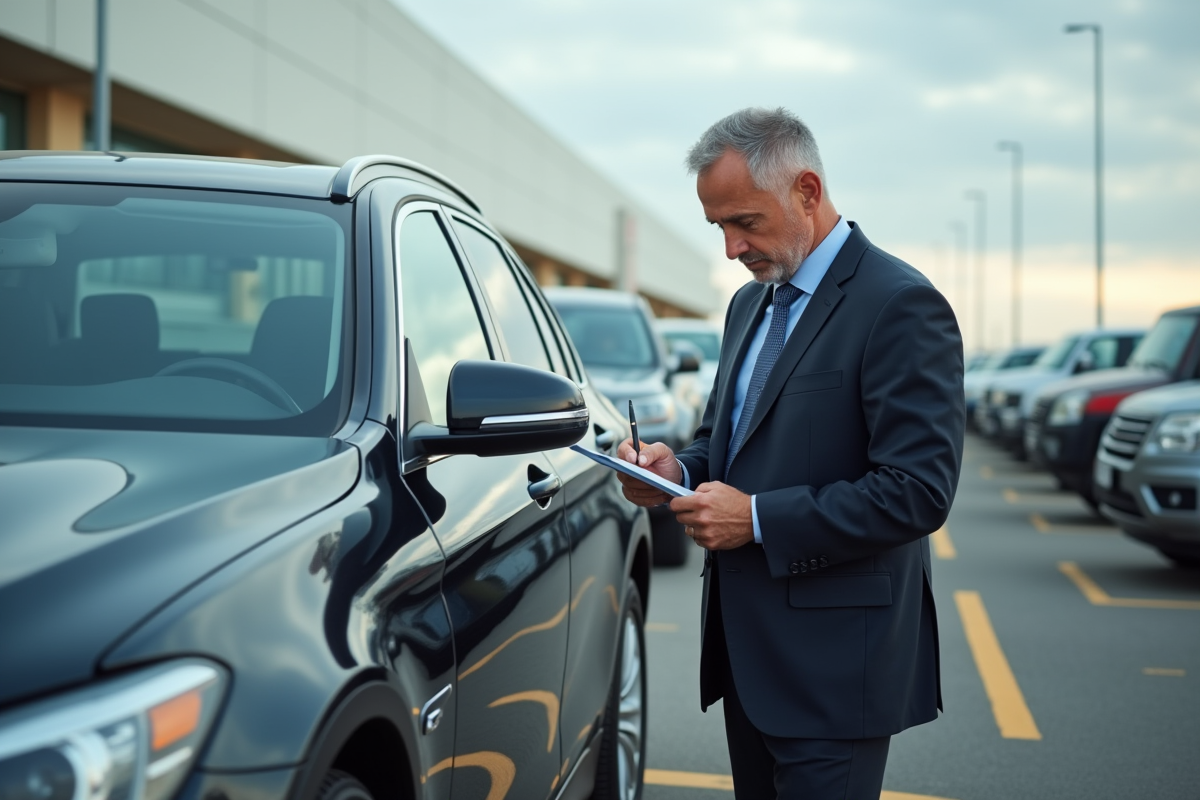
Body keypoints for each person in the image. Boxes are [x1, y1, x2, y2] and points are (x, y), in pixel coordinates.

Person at [616, 107, 965, 800]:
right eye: (718, 226)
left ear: (807, 191)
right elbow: (725, 442)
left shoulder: (900, 304)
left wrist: (756, 519)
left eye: (744, 222)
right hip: (748, 657)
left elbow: (918, 490)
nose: (731, 248)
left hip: (835, 668)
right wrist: (675, 470)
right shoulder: (750, 306)